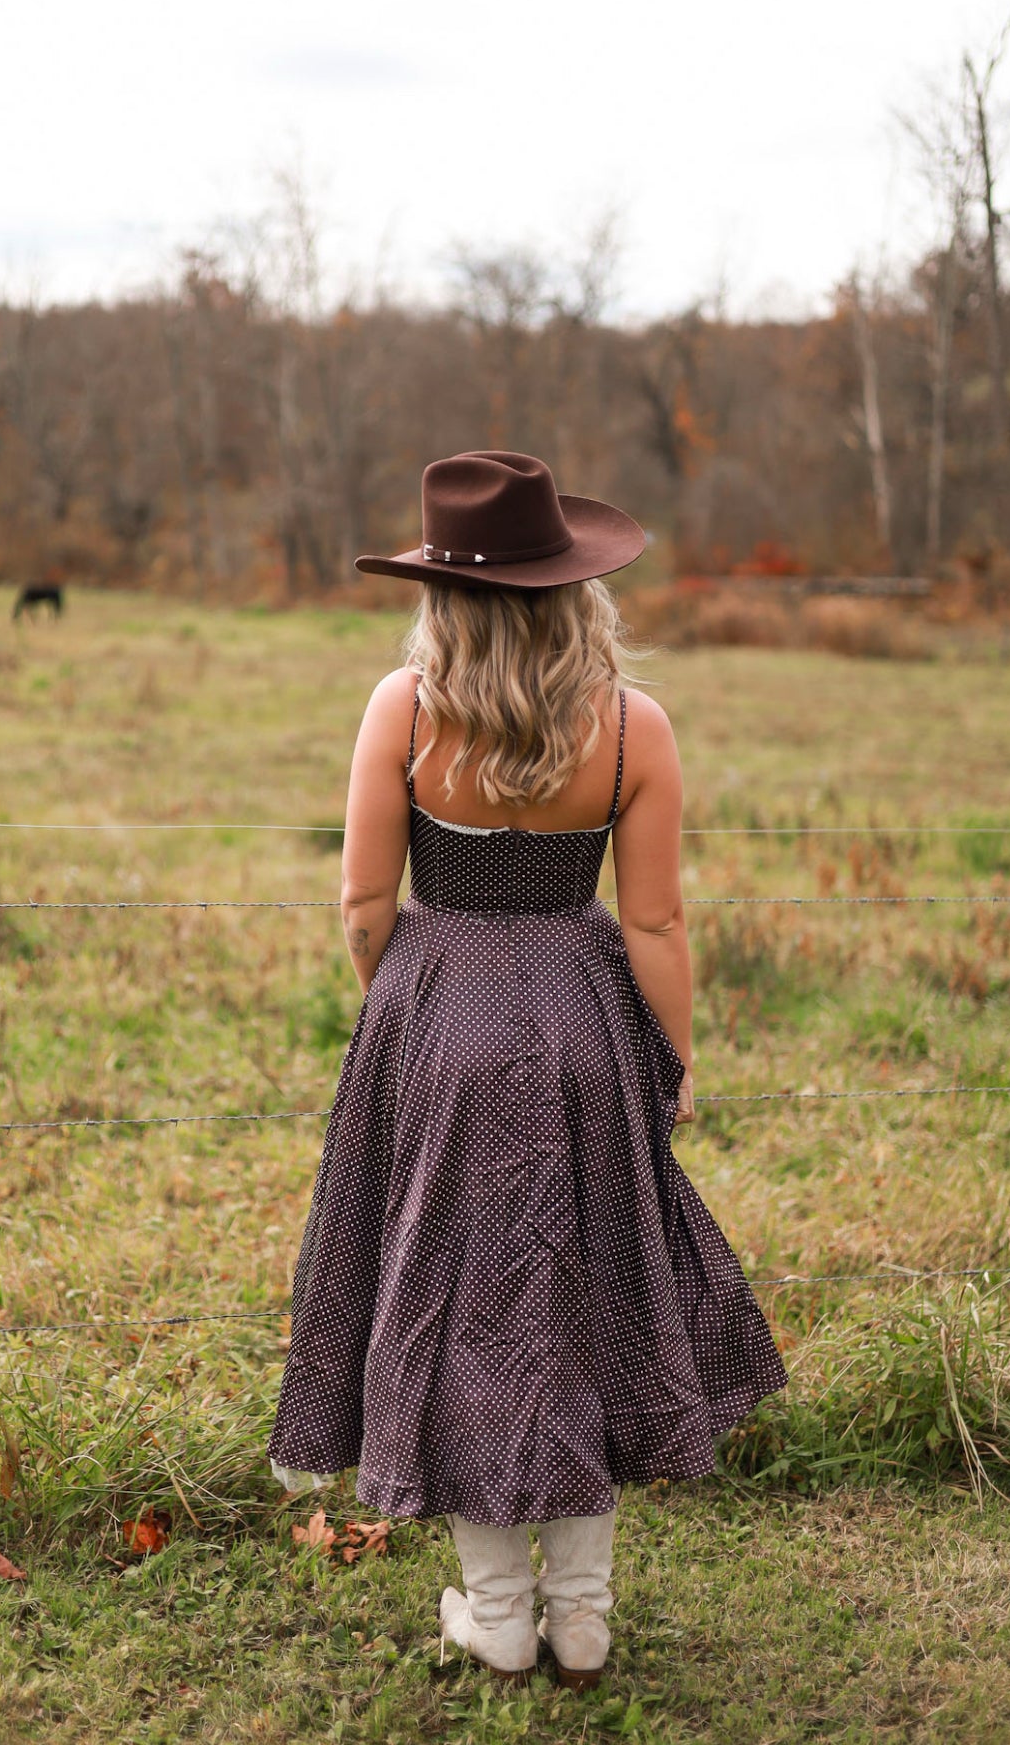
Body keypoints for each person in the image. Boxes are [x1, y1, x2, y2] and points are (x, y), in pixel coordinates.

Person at [268, 451, 787, 1690]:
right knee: (595, 1292)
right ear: (575, 589)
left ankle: (497, 1613)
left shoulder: (403, 708)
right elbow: (657, 927)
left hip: (433, 1011)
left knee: (455, 1306)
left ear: (442, 595)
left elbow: (358, 904)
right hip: (588, 1024)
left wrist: (408, 1017)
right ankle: (585, 1614)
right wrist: (673, 1061)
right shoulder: (631, 725)